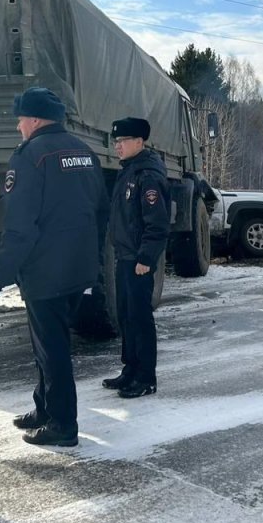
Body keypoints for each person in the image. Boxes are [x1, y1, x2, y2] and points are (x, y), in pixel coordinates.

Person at [0, 87, 108, 447]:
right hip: (78, 266)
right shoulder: (85, 152)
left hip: (45, 271)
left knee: (52, 347)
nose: (19, 127)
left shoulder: (30, 156)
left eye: (21, 119)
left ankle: (62, 424)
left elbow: (20, 224)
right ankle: (44, 407)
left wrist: (2, 271)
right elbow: (100, 212)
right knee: (47, 343)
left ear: (36, 119)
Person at [102, 117, 170, 399]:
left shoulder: (148, 175)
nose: (117, 146)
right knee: (125, 315)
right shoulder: (129, 170)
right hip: (125, 256)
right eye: (115, 142)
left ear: (139, 142)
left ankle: (146, 377)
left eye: (122, 141)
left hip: (138, 260)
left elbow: (157, 223)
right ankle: (130, 369)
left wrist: (146, 258)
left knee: (140, 318)